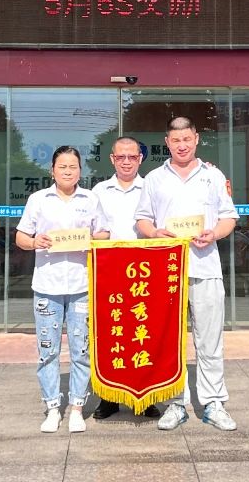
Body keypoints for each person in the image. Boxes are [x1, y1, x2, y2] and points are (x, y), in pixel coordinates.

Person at [135, 117, 240, 432]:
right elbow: (142, 219)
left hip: (205, 267)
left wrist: (214, 234)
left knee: (210, 340)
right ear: (167, 142)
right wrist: (155, 233)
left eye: (187, 139)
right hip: (166, 272)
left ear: (196, 139)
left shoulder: (213, 175)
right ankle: (174, 403)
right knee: (169, 342)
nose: (182, 145)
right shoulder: (154, 178)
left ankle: (213, 403)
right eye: (175, 140)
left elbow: (228, 217)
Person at [15, 146, 110, 434]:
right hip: (47, 285)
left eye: (73, 167)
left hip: (82, 284)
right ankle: (53, 408)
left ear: (80, 170)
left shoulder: (90, 199)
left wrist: (91, 238)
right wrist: (35, 242)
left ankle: (77, 408)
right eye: (62, 166)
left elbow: (105, 233)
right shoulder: (38, 199)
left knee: (81, 350)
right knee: (48, 351)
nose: (68, 171)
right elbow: (21, 236)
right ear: (52, 170)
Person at [89, 136, 161, 421]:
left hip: (146, 270)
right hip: (110, 271)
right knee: (111, 333)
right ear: (112, 159)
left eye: (132, 157)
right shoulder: (98, 191)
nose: (127, 162)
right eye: (121, 157)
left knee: (143, 334)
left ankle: (145, 397)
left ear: (141, 158)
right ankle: (109, 397)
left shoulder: (152, 187)